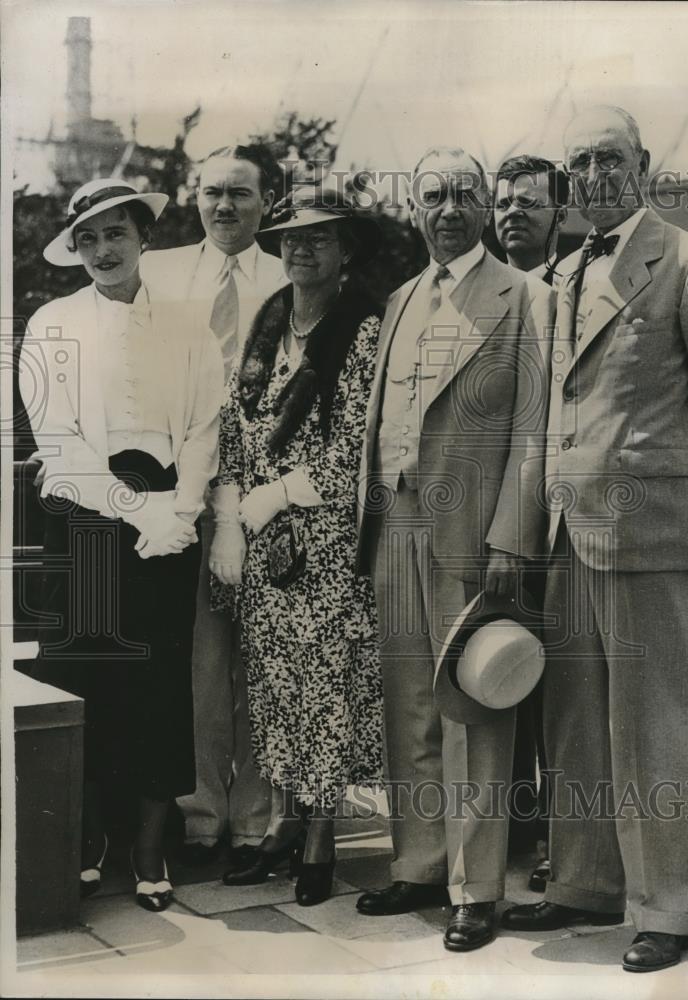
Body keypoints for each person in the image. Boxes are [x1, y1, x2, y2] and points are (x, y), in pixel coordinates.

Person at [501, 106, 688, 974]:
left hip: (652, 532)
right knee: (574, 725)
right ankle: (583, 881)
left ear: (641, 163)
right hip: (571, 531)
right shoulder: (562, 273)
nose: (597, 176)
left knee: (654, 727)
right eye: (581, 163)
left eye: (611, 158)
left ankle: (667, 907)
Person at [355, 147, 554, 952]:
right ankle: (418, 863)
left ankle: (476, 889)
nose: (447, 209)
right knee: (408, 704)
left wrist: (512, 532)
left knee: (473, 706)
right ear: (415, 207)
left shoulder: (526, 297)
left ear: (483, 206)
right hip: (396, 521)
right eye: (432, 194)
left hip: (473, 534)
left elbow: (534, 430)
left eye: (462, 195)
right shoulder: (401, 299)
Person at [18, 178, 222, 911]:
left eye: (118, 233)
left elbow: (203, 429)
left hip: (169, 527)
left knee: (158, 685)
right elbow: (58, 443)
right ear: (75, 249)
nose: (105, 249)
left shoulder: (188, 325)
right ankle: (82, 839)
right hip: (87, 523)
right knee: (83, 677)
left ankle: (147, 848)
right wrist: (138, 513)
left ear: (144, 239)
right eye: (90, 237)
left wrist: (182, 513)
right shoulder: (52, 324)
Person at [210, 186, 384, 907]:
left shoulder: (360, 327)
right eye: (289, 236)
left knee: (321, 689)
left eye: (319, 236)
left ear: (345, 248)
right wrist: (232, 513)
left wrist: (273, 498)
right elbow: (235, 422)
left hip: (323, 539)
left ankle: (319, 835)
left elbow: (351, 451)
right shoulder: (269, 319)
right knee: (274, 689)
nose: (301, 248)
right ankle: (283, 823)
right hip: (260, 537)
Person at [141, 144, 286, 871]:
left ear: (266, 202)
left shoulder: (292, 274)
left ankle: (258, 817)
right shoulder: (159, 272)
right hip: (185, 489)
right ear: (193, 198)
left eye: (239, 194)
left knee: (259, 659)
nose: (223, 206)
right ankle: (200, 815)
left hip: (266, 497)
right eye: (210, 193)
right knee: (199, 661)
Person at [493, 153, 570, 891]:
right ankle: (511, 827)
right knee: (494, 667)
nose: (514, 213)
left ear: (558, 214)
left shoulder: (574, 287)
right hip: (482, 518)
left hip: (560, 521)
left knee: (555, 684)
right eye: (504, 203)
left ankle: (557, 837)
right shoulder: (479, 292)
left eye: (530, 203)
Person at [493, 154, 569, 285]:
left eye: (527, 203)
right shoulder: (479, 289)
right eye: (503, 205)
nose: (512, 211)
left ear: (560, 217)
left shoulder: (577, 288)